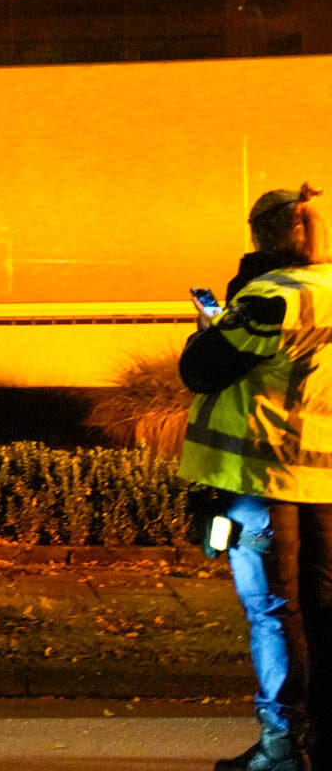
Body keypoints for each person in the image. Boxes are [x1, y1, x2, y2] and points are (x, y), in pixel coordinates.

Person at [181, 183, 332, 771]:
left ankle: (283, 743)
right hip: (325, 478)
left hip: (264, 478)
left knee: (274, 608)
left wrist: (210, 323)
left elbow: (202, 368)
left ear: (261, 236)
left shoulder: (270, 297)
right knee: (323, 607)